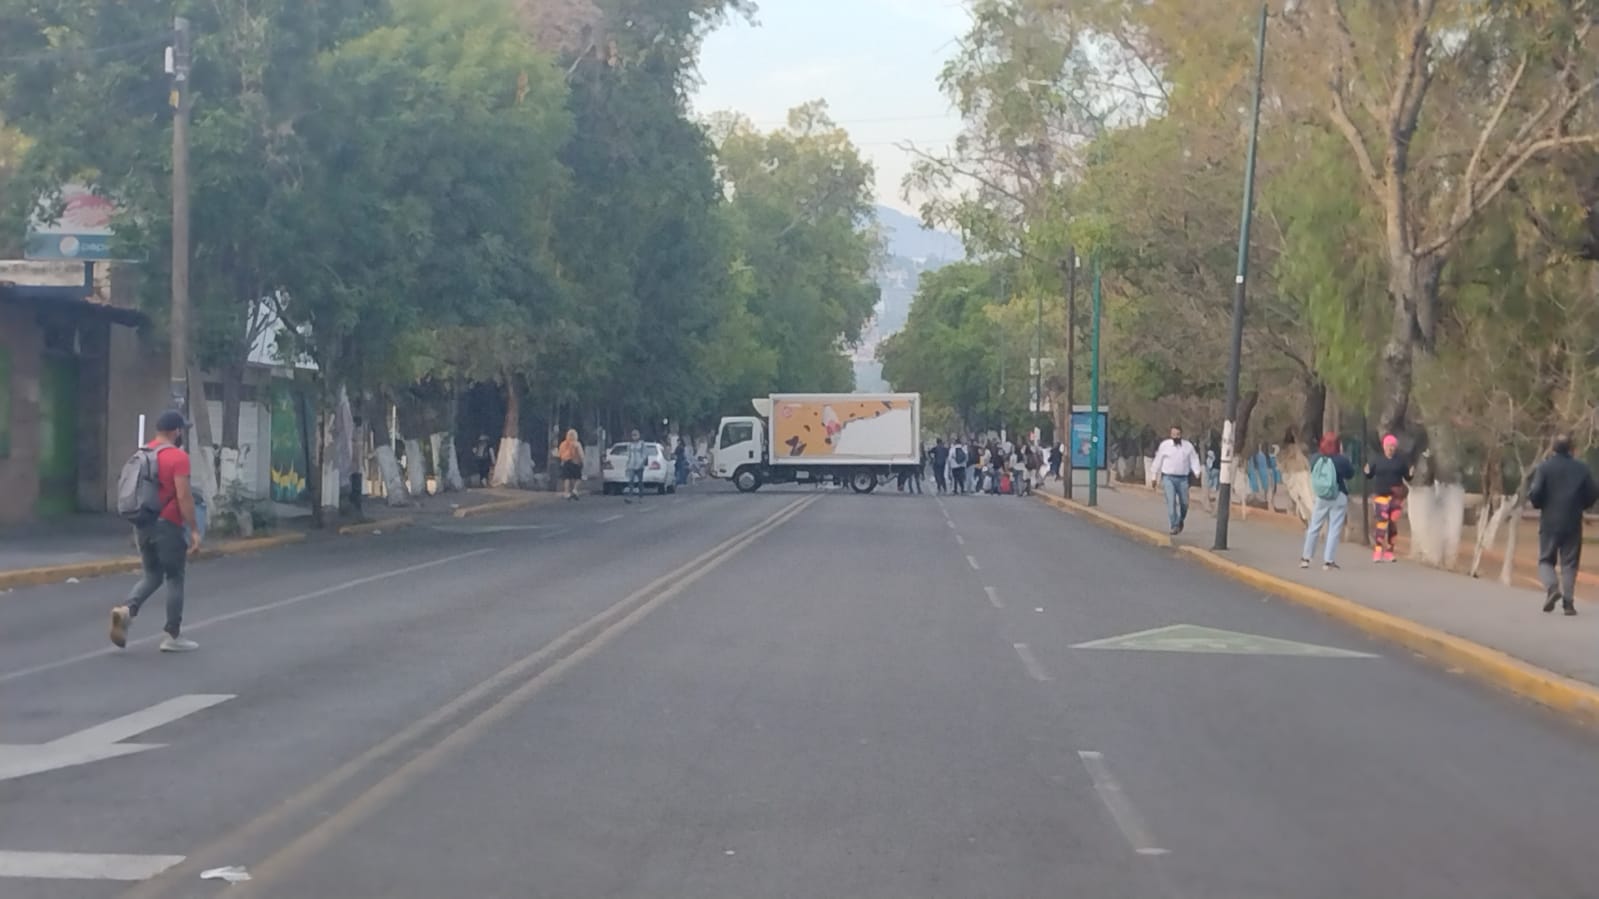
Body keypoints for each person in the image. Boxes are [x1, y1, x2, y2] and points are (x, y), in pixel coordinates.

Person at [109, 410, 202, 653]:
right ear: (176, 431)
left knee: (152, 574)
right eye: (182, 429)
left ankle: (127, 610)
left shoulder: (142, 453)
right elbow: (183, 495)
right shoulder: (178, 457)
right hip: (168, 524)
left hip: (143, 522)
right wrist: (193, 529)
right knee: (175, 577)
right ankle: (173, 634)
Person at [1528, 434, 1599, 615]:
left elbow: (1535, 493)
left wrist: (1539, 504)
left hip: (1549, 521)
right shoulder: (1582, 469)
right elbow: (1593, 493)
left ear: (1552, 449)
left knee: (1545, 559)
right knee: (1569, 563)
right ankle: (1568, 603)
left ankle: (1552, 589)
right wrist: (1580, 506)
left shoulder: (1544, 468)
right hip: (1573, 522)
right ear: (1571, 449)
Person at [1300, 432, 1356, 570]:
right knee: (1334, 528)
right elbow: (1350, 474)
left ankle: (1306, 558)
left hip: (1321, 497)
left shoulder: (1315, 458)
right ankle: (1328, 561)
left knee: (1314, 527)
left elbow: (1312, 471)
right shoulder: (1341, 460)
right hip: (1338, 496)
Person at [1364, 434, 1413, 563]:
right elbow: (1369, 475)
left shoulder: (1400, 461)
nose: (1390, 448)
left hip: (1396, 496)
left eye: (1393, 446)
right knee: (1382, 521)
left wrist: (1411, 474)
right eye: (1388, 446)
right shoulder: (1377, 459)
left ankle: (1389, 551)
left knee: (1393, 522)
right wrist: (1367, 472)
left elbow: (1407, 477)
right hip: (1381, 495)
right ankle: (1378, 550)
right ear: (1384, 446)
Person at [1150, 425, 1203, 535]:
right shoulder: (1165, 445)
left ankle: (1180, 520)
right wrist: (1154, 477)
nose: (1175, 437)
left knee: (1185, 503)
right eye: (1173, 434)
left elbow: (1194, 459)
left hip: (1183, 478)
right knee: (1171, 501)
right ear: (1170, 435)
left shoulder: (1187, 446)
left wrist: (1197, 471)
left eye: (1177, 434)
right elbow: (1158, 460)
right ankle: (1174, 525)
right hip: (1168, 477)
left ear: (1181, 434)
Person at [558, 429, 584, 500]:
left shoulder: (563, 444)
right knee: (578, 477)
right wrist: (581, 461)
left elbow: (559, 453)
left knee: (567, 478)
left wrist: (562, 460)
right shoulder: (576, 444)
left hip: (565, 462)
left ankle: (566, 493)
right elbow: (581, 454)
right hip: (575, 462)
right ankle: (575, 490)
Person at [623, 429, 648, 503]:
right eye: (633, 435)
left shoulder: (642, 444)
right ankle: (630, 497)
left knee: (640, 482)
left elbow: (644, 454)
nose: (634, 437)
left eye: (635, 435)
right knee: (631, 482)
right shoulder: (630, 445)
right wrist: (627, 465)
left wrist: (641, 462)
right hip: (631, 465)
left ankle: (641, 498)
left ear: (639, 435)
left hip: (640, 465)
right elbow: (629, 455)